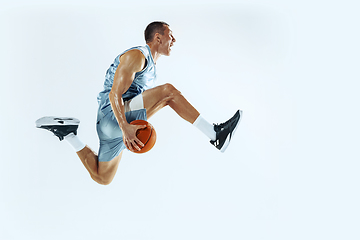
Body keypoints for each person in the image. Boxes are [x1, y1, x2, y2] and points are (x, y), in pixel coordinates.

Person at [36, 21, 243, 185]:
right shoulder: (137, 56)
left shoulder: (151, 67)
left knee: (102, 177)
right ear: (157, 37)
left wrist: (124, 128)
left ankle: (70, 134)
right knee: (168, 92)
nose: (174, 40)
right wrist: (125, 127)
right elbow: (114, 94)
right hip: (113, 115)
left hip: (112, 126)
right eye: (171, 35)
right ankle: (215, 134)